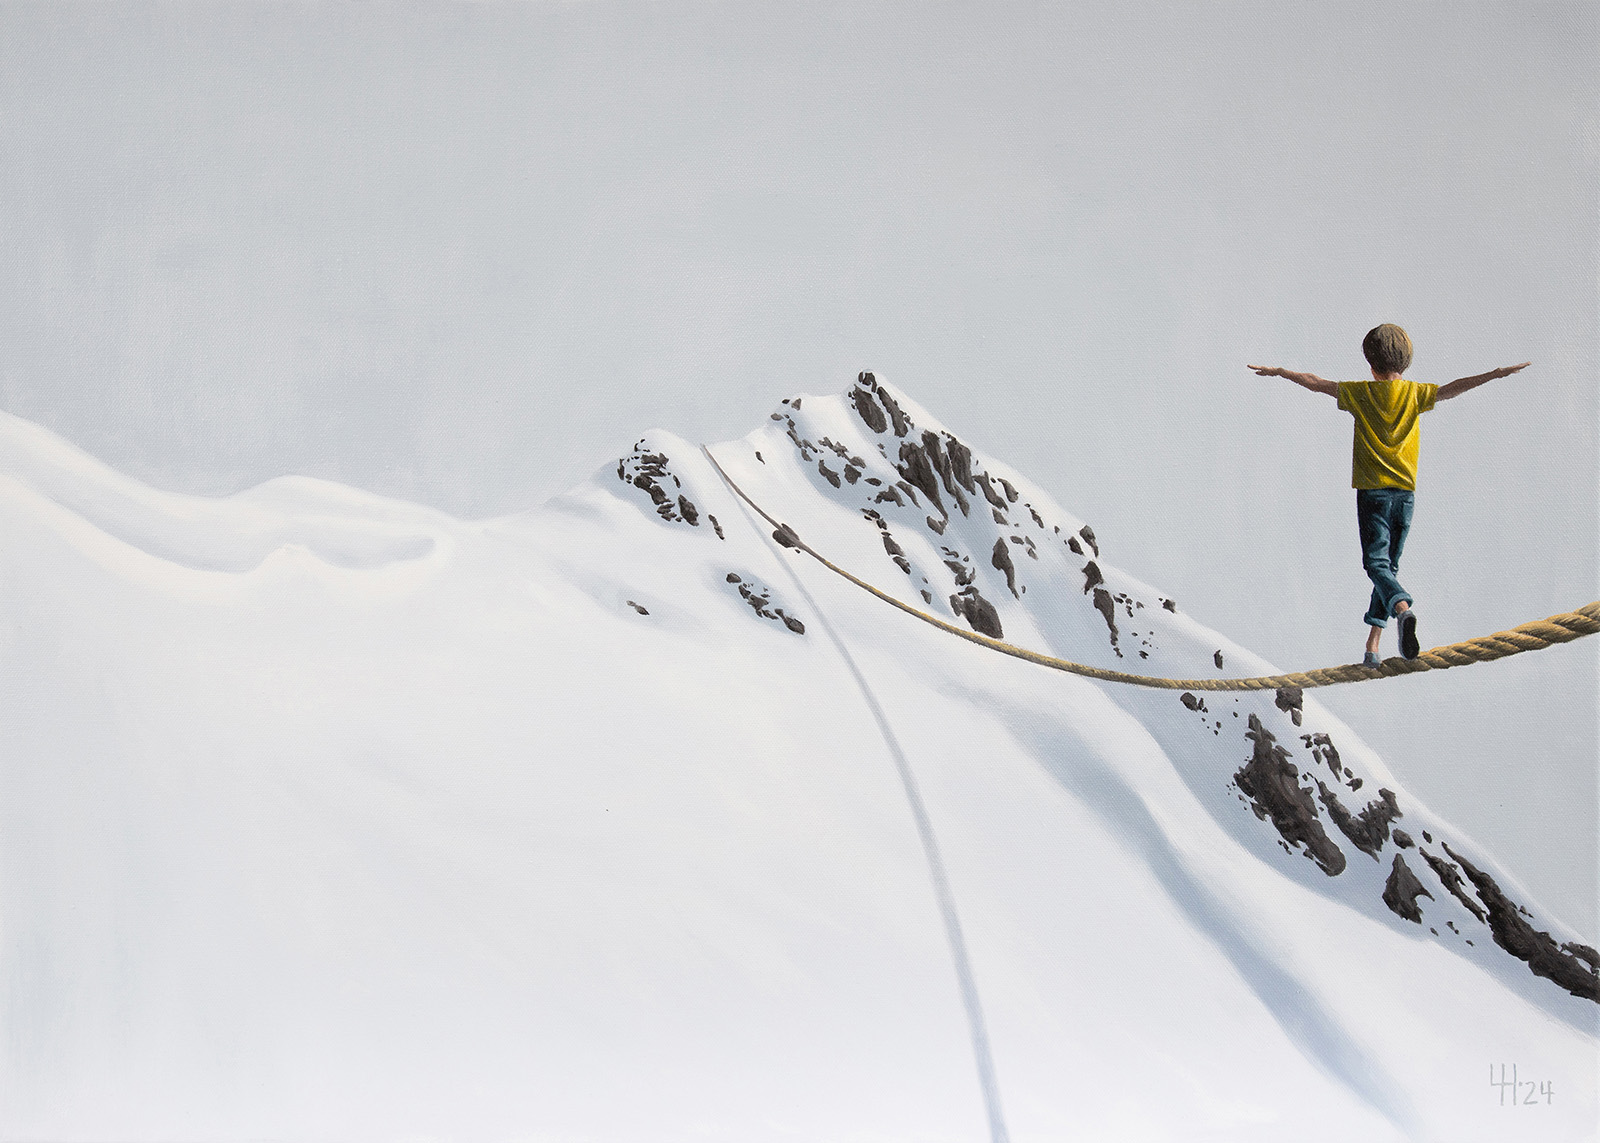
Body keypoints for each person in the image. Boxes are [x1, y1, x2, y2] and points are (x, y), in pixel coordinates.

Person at [1249, 325, 1528, 666]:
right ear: (1405, 362)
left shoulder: (1361, 393)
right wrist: (1494, 374)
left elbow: (1315, 382)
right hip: (1406, 494)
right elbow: (1452, 389)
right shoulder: (1415, 393)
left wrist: (1281, 372)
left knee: (1376, 564)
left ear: (1370, 364)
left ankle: (1401, 608)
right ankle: (1373, 645)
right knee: (1388, 566)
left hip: (1374, 492)